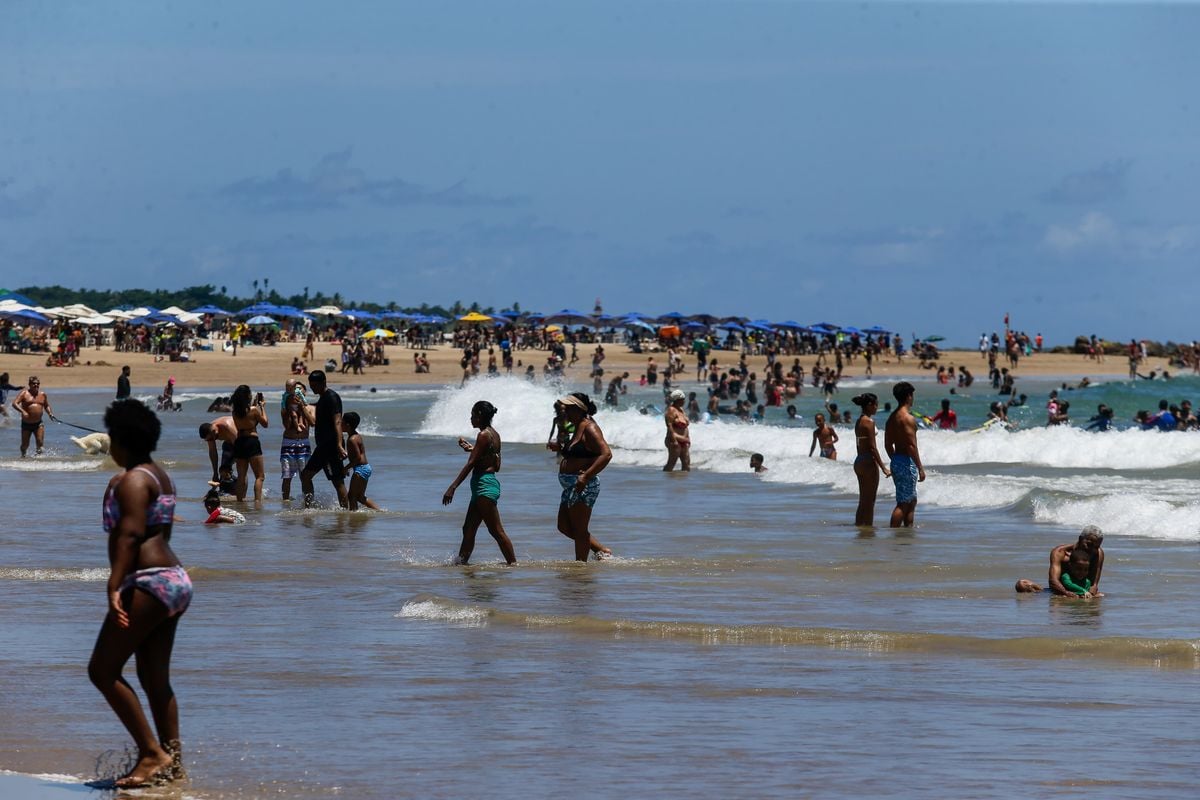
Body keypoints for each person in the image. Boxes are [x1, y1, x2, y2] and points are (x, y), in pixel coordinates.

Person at [88, 399, 190, 788]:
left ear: (122, 440)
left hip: (149, 580)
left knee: (102, 670)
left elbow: (130, 534)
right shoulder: (159, 475)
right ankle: (172, 763)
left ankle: (151, 753)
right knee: (153, 676)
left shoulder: (132, 479)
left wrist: (114, 584)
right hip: (173, 579)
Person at [443, 401, 516, 564]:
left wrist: (452, 487)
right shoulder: (494, 434)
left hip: (484, 487)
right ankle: (461, 565)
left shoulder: (483, 435)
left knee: (496, 531)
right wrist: (473, 449)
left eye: (473, 415)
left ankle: (514, 566)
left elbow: (470, 464)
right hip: (484, 485)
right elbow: (496, 465)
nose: (471, 418)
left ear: (480, 415)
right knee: (468, 529)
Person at [548, 393, 613, 561]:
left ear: (578, 409)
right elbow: (580, 454)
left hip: (584, 485)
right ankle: (601, 550)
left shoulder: (590, 427)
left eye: (568, 409)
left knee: (579, 529)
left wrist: (586, 476)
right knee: (563, 526)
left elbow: (606, 454)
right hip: (571, 486)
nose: (565, 412)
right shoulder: (578, 426)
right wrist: (561, 448)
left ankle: (580, 569)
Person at [299, 370, 348, 508]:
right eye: (311, 385)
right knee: (306, 476)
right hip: (323, 446)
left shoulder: (332, 397)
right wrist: (303, 403)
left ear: (323, 382)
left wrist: (339, 445)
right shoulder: (323, 398)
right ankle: (309, 507)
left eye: (314, 385)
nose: (312, 388)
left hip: (331, 446)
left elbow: (338, 421)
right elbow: (317, 408)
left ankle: (346, 512)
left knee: (337, 481)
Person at [1015, 526, 1105, 598]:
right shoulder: (1060, 553)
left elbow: (1094, 584)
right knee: (1021, 585)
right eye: (1089, 544)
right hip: (1060, 590)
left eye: (1096, 547)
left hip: (1083, 589)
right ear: (1080, 539)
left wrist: (1089, 594)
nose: (1092, 550)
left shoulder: (1098, 554)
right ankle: (1039, 589)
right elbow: (1053, 581)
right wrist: (1067, 593)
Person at [884, 381, 926, 528]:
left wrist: (895, 460)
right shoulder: (907, 418)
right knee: (903, 503)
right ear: (909, 396)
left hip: (897, 460)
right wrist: (920, 468)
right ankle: (894, 532)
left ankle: (907, 532)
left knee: (911, 500)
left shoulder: (891, 418)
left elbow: (888, 445)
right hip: (906, 462)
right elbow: (911, 445)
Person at [852, 393, 891, 526]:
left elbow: (859, 445)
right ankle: (868, 531)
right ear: (869, 405)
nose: (876, 407)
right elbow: (873, 448)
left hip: (859, 461)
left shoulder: (859, 421)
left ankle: (859, 528)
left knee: (863, 500)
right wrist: (883, 467)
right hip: (868, 461)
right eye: (875, 405)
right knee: (870, 501)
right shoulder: (869, 422)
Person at [230, 385, 268, 504]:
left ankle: (239, 502)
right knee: (260, 476)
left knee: (241, 476)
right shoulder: (254, 410)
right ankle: (257, 502)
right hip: (252, 442)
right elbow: (265, 423)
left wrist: (254, 404)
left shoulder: (235, 412)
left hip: (240, 442)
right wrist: (262, 407)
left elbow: (247, 417)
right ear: (247, 396)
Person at [279, 379, 314, 501]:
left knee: (305, 476)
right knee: (287, 476)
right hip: (289, 442)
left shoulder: (310, 407)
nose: (297, 391)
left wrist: (302, 407)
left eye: (300, 388)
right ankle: (286, 502)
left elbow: (313, 422)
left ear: (304, 392)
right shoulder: (287, 405)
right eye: (295, 388)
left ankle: (308, 503)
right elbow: (287, 425)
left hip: (304, 443)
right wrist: (290, 409)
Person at [343, 412, 381, 511]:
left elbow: (358, 458)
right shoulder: (356, 435)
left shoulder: (352, 439)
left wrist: (346, 468)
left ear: (347, 425)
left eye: (342, 423)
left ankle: (353, 518)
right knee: (359, 497)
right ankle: (379, 511)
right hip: (365, 468)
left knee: (351, 496)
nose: (340, 425)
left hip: (361, 469)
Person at [13, 376, 55, 456]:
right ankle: (23, 455)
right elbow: (14, 403)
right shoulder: (24, 393)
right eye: (34, 384)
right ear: (29, 384)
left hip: (38, 424)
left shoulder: (42, 394)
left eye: (38, 384)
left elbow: (46, 406)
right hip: (26, 424)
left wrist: (50, 414)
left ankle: (38, 459)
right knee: (25, 445)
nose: (36, 385)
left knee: (40, 443)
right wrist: (23, 411)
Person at [198, 415, 238, 494]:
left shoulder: (227, 426)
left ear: (213, 429)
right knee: (223, 470)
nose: (213, 439)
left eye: (214, 437)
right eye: (209, 439)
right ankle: (227, 490)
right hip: (228, 443)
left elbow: (240, 447)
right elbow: (213, 452)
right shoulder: (209, 433)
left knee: (237, 470)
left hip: (240, 442)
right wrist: (215, 472)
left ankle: (239, 489)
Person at [663, 389, 691, 472]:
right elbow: (669, 425)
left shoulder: (681, 410)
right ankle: (665, 481)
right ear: (677, 400)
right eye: (683, 399)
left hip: (684, 440)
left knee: (686, 464)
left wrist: (688, 439)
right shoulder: (671, 410)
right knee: (671, 464)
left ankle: (683, 483)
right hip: (674, 440)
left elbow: (685, 427)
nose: (684, 401)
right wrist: (674, 441)